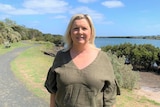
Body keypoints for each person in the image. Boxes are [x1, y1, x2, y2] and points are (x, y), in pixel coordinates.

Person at [44, 14, 120, 107]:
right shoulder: (61, 56)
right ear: (70, 32)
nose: (80, 32)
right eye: (76, 28)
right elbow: (53, 91)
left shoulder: (103, 59)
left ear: (91, 32)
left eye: (84, 28)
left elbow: (110, 98)